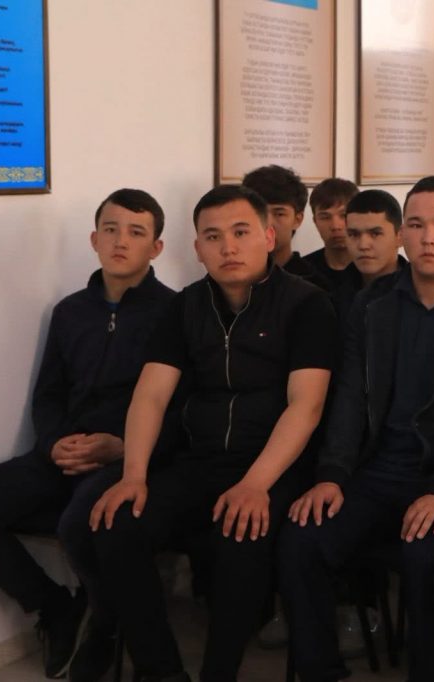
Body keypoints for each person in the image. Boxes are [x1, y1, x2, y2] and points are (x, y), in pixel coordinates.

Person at [277, 175, 434, 682]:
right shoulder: (374, 302)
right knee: (302, 540)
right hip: (377, 471)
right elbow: (350, 398)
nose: (428, 237)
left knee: (426, 557)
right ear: (402, 234)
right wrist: (332, 474)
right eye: (416, 224)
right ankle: (321, 673)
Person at [90, 185, 335, 682]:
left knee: (239, 537)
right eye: (213, 237)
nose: (228, 247)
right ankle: (162, 671)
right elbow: (151, 396)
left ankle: (218, 673)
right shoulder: (184, 307)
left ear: (269, 237)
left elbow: (305, 407)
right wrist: (134, 475)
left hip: (275, 466)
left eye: (241, 233)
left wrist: (255, 484)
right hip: (199, 460)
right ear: (197, 248)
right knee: (118, 527)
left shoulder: (307, 304)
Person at [0, 189, 174, 680]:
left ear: (156, 247)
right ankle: (56, 607)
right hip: (62, 452)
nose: (121, 241)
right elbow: (48, 395)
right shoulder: (69, 311)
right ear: (94, 240)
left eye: (136, 232)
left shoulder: (174, 312)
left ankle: (104, 623)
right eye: (111, 230)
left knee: (84, 522)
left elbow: (179, 407)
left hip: (127, 455)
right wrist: (54, 442)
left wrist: (121, 446)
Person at [241, 164, 328, 289]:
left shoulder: (315, 285)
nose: (268, 223)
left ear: (297, 219)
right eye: (259, 213)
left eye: (279, 214)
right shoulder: (231, 278)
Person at [331, 189, 407, 319]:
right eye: (354, 234)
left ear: (400, 236)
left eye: (375, 234)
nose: (363, 245)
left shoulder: (421, 292)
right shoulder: (333, 292)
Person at [300, 177, 360, 291]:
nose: (335, 226)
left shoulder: (372, 268)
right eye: (325, 217)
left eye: (343, 215)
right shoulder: (302, 271)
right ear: (315, 221)